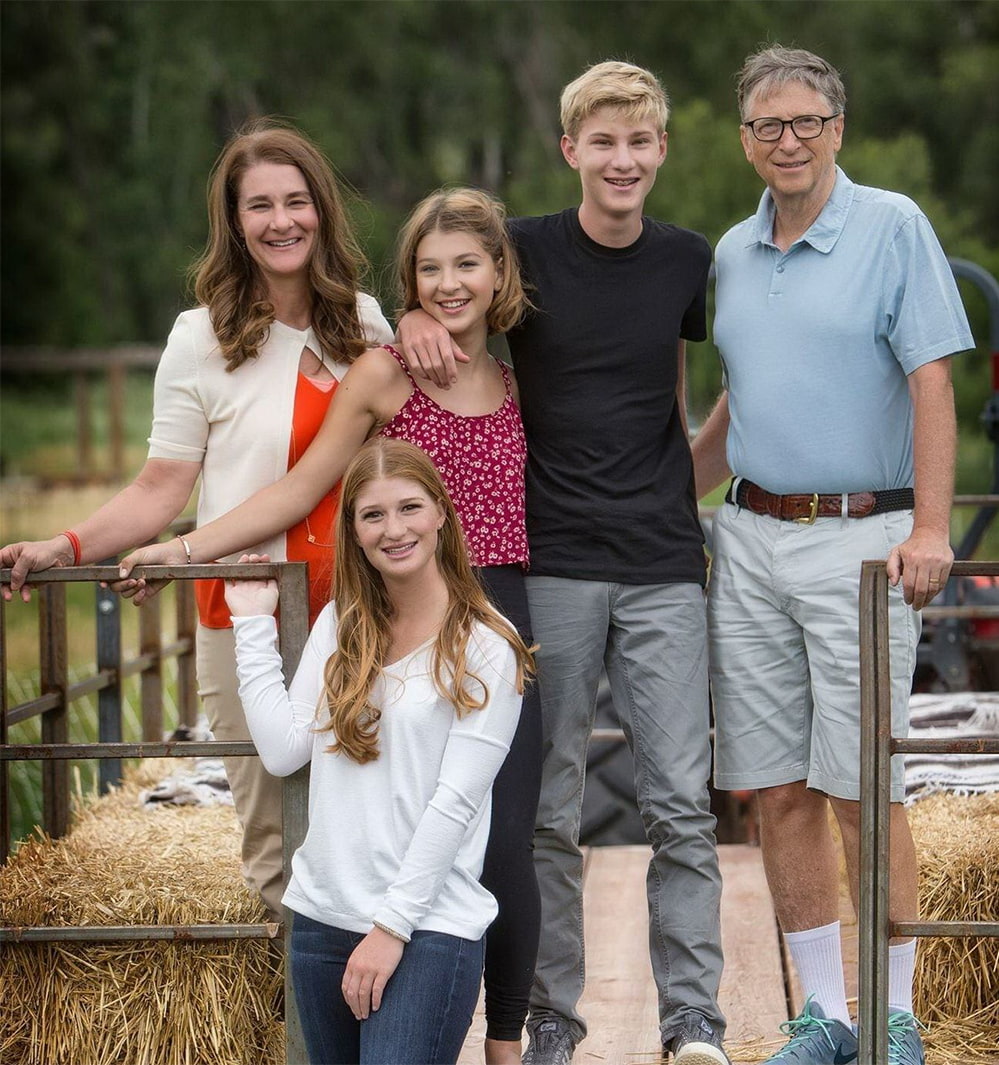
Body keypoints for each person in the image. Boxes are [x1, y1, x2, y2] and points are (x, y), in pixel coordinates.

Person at [118, 187, 541, 1064]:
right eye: (429, 269)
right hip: (400, 595)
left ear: (500, 273)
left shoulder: (513, 374)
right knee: (375, 790)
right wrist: (183, 548)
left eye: (468, 263)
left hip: (496, 602)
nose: (450, 282)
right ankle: (365, 949)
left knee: (502, 835)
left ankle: (508, 1038)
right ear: (409, 283)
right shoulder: (390, 366)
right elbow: (303, 486)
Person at [397, 62, 729, 1065]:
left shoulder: (687, 263)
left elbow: (674, 394)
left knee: (682, 804)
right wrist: (406, 316)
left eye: (640, 143)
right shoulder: (525, 254)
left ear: (661, 150)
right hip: (551, 565)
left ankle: (694, 1022)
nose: (622, 160)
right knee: (548, 809)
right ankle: (552, 1017)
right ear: (570, 149)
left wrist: (686, 482)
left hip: (667, 560)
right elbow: (445, 287)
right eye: (603, 142)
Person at [0, 121, 394, 922]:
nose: (281, 220)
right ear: (235, 222)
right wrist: (63, 546)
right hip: (245, 615)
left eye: (296, 201)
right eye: (259, 206)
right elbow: (158, 486)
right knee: (277, 847)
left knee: (371, 830)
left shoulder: (365, 324)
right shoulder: (200, 337)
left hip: (363, 612)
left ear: (321, 210)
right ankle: (301, 1041)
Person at [691, 46, 973, 1065]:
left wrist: (931, 530)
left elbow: (934, 383)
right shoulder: (729, 251)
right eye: (768, 125)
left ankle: (892, 1018)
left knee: (862, 788)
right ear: (745, 141)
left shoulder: (893, 226)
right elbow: (742, 402)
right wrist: (668, 497)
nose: (789, 141)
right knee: (775, 791)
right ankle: (823, 1017)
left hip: (864, 541)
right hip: (750, 538)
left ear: (837, 129)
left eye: (807, 121)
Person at [224, 437, 534, 1064]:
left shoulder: (486, 648)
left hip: (427, 928)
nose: (394, 529)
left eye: (409, 508)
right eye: (373, 515)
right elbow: (285, 751)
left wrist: (391, 927)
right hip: (322, 915)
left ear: (442, 514)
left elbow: (454, 804)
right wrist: (252, 627)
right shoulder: (342, 622)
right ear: (356, 532)